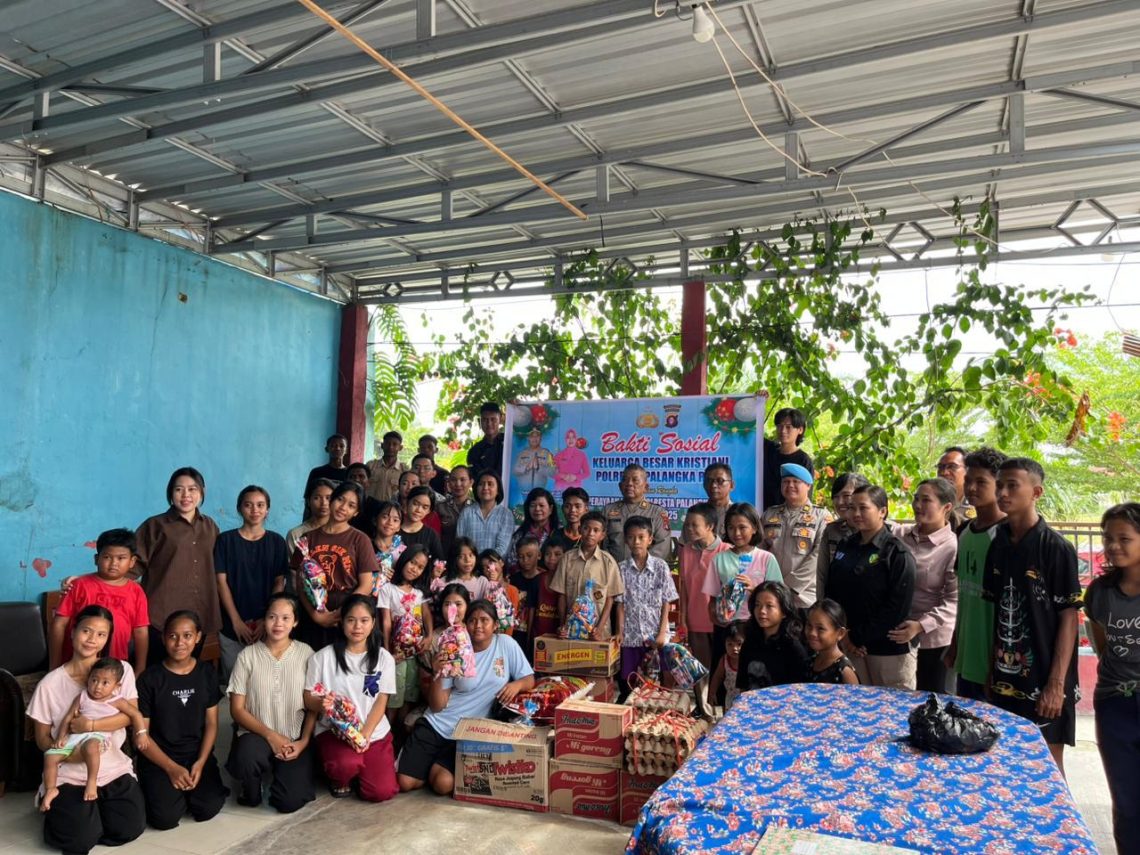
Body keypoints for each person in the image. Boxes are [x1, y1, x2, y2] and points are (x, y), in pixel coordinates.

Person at [982, 458, 1080, 772]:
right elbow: (994, 612)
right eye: (1000, 485)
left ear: (1036, 492)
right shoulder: (996, 544)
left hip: (1046, 678)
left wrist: (1056, 684)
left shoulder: (1056, 549)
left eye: (1013, 485)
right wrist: (990, 670)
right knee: (1006, 763)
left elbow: (1069, 617)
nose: (1003, 493)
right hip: (1004, 675)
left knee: (1048, 767)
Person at [27, 605, 146, 854]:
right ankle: (59, 808)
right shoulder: (50, 684)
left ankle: (91, 813)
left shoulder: (120, 671)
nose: (92, 639)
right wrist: (72, 753)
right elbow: (41, 740)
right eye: (86, 631)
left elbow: (128, 716)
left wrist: (90, 725)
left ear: (107, 639)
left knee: (128, 829)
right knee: (79, 840)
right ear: (73, 632)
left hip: (111, 767)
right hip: (68, 773)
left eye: (101, 634)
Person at [397, 599, 535, 795]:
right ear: (465, 624)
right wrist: (438, 673)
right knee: (404, 783)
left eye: (484, 620)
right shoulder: (455, 648)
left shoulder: (505, 644)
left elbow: (529, 679)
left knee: (443, 785)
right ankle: (420, 764)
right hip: (437, 723)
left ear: (495, 625)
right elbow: (437, 706)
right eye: (472, 620)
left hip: (467, 733)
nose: (478, 626)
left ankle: (428, 768)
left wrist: (516, 685)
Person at [136, 610, 228, 830]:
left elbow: (212, 724)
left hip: (195, 754)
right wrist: (171, 768)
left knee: (207, 809)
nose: (180, 643)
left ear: (197, 637)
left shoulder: (206, 673)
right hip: (160, 757)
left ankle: (191, 788)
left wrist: (201, 761)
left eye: (187, 636)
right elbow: (142, 736)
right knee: (165, 819)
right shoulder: (150, 679)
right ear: (163, 638)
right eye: (173, 636)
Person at [226, 593, 317, 813]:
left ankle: (282, 775)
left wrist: (303, 741)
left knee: (289, 802)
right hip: (256, 735)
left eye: (286, 618)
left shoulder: (307, 654)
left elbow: (313, 706)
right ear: (263, 620)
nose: (278, 624)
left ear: (295, 622)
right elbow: (237, 709)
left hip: (293, 738)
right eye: (272, 617)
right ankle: (250, 787)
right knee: (247, 756)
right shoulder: (247, 656)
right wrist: (270, 735)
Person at [305, 594, 398, 802]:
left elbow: (381, 701)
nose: (357, 627)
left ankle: (360, 769)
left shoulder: (384, 659)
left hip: (372, 732)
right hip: (334, 732)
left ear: (373, 623)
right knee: (344, 766)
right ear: (341, 622)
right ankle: (341, 776)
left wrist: (363, 735)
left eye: (364, 620)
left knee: (381, 792)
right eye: (351, 620)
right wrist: (321, 704)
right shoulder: (322, 658)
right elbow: (307, 698)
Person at [1085, 503, 1140, 850]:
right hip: (1114, 703)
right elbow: (1101, 644)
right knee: (1126, 800)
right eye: (1108, 538)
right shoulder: (1100, 592)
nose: (1114, 546)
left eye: (1125, 538)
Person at [825, 484, 917, 689]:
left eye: (863, 508)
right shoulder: (846, 545)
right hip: (849, 645)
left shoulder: (897, 553)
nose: (856, 513)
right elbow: (833, 592)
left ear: (882, 511)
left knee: (892, 712)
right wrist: (846, 636)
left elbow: (896, 609)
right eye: (852, 507)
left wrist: (857, 638)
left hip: (886, 651)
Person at [135, 467, 221, 666]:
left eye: (192, 489)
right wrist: (92, 579)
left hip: (200, 614)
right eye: (178, 489)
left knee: (188, 671)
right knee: (157, 671)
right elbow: (131, 563)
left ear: (202, 492)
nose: (186, 495)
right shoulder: (155, 525)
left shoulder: (210, 526)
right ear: (170, 493)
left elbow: (220, 567)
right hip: (160, 615)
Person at [42, 657, 147, 811]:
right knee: (50, 756)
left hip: (98, 736)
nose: (98, 686)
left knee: (91, 748)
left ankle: (91, 782)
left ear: (117, 686)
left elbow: (136, 714)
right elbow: (68, 718)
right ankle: (51, 788)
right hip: (75, 736)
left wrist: (141, 733)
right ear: (88, 679)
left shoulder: (117, 700)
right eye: (94, 680)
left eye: (105, 683)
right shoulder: (82, 696)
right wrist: (61, 737)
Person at [945, 447, 1007, 700]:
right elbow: (963, 593)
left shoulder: (1007, 536)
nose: (971, 488)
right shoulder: (965, 532)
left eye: (981, 482)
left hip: (999, 664)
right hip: (967, 657)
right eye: (969, 480)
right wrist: (955, 643)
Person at [890, 478, 959, 693]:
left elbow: (953, 600)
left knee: (932, 698)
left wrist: (920, 626)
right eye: (916, 498)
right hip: (898, 633)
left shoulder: (954, 547)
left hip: (934, 640)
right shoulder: (899, 535)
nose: (917, 505)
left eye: (926, 500)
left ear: (946, 507)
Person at [292, 481, 378, 650]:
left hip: (348, 618)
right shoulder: (307, 538)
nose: (343, 507)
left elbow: (366, 584)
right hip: (313, 615)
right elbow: (300, 584)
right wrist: (316, 616)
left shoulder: (360, 539)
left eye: (351, 505)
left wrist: (341, 613)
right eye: (340, 499)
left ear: (356, 512)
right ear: (332, 500)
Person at [51, 528, 149, 675]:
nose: (114, 563)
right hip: (74, 664)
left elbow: (141, 632)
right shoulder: (79, 585)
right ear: (97, 559)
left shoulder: (136, 591)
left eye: (121, 558)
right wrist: (54, 667)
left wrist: (140, 669)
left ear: (132, 561)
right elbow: (59, 624)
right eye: (107, 557)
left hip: (113, 667)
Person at [215, 486, 288, 678]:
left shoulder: (277, 542)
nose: (254, 510)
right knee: (235, 682)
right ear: (239, 508)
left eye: (260, 505)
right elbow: (221, 583)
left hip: (267, 626)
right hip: (231, 626)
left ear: (267, 510)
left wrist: (267, 619)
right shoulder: (225, 541)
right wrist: (236, 621)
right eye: (248, 505)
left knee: (263, 682)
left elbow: (279, 583)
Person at [616, 516, 678, 692]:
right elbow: (620, 604)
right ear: (626, 540)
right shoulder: (621, 568)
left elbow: (666, 601)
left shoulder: (661, 566)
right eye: (631, 537)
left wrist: (661, 633)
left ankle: (658, 714)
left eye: (641, 537)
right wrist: (620, 633)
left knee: (661, 682)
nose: (636, 541)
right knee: (629, 682)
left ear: (650, 539)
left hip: (655, 635)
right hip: (631, 636)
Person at [378, 545, 433, 736]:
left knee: (410, 692)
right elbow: (385, 621)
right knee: (394, 693)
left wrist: (429, 636)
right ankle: (388, 733)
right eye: (412, 562)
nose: (414, 569)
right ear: (404, 559)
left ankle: (401, 734)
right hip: (397, 651)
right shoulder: (388, 589)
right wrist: (387, 651)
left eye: (420, 567)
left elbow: (426, 614)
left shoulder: (419, 593)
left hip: (415, 652)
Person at [763, 463, 833, 609]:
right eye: (786, 482)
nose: (790, 485)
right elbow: (760, 551)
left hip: (804, 598)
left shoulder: (821, 516)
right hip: (771, 595)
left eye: (796, 482)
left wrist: (788, 586)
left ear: (808, 485)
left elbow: (820, 556)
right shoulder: (769, 514)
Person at [550, 510, 624, 640]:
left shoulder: (608, 562)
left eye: (596, 530)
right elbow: (561, 595)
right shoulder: (567, 559)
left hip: (598, 634)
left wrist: (599, 629)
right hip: (572, 631)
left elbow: (609, 600)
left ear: (602, 535)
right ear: (579, 529)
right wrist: (563, 625)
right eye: (586, 528)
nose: (590, 533)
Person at [678, 503, 731, 671]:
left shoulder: (727, 551)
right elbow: (684, 588)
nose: (689, 529)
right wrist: (683, 619)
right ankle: (702, 699)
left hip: (722, 624)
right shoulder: (686, 550)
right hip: (695, 622)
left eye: (695, 525)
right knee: (699, 672)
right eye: (687, 525)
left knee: (721, 671)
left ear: (710, 526)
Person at [737, 581, 810, 691]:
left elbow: (800, 689)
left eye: (769, 606)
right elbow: (742, 684)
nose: (761, 611)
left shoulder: (793, 648)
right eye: (757, 605)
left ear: (784, 611)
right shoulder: (750, 642)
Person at [604, 464, 672, 563]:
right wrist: (611, 566)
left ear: (646, 487)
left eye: (635, 480)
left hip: (646, 573)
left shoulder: (658, 513)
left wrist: (639, 567)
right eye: (625, 480)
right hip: (613, 570)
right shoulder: (608, 510)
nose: (629, 484)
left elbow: (662, 547)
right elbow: (602, 544)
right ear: (620, 485)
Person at [817, 473, 871, 596]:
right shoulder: (831, 530)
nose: (840, 502)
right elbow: (822, 576)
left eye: (846, 495)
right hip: (837, 607)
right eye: (836, 496)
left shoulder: (885, 530)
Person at [509, 535, 551, 662]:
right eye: (521, 557)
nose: (525, 560)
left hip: (537, 631)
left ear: (539, 555)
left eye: (529, 555)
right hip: (516, 631)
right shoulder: (513, 580)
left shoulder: (545, 579)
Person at [762, 408, 813, 511]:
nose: (783, 431)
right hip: (764, 515)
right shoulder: (768, 449)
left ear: (800, 430)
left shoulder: (804, 460)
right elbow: (750, 431)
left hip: (790, 517)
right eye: (780, 426)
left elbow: (806, 495)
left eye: (788, 427)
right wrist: (758, 400)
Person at [456, 471, 514, 556]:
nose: (485, 487)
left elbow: (503, 548)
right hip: (470, 566)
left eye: (490, 484)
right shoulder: (466, 512)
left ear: (498, 490)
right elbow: (460, 543)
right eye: (481, 484)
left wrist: (487, 563)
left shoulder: (505, 515)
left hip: (495, 566)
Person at [804, 599, 859, 685]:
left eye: (820, 629)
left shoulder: (844, 671)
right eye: (809, 625)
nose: (812, 633)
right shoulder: (811, 660)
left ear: (840, 633)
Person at [286, 478, 335, 560]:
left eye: (328, 498)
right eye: (317, 498)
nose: (324, 503)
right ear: (308, 501)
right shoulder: (296, 534)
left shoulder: (343, 532)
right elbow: (293, 569)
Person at [507, 487, 557, 564]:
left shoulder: (559, 532)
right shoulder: (520, 534)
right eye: (533, 505)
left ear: (550, 509)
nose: (537, 509)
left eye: (541, 505)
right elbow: (511, 562)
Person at [480, 549, 520, 637]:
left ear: (501, 562)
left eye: (492, 563)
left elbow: (510, 617)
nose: (490, 569)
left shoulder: (512, 590)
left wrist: (497, 587)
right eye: (485, 567)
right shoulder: (483, 589)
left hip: (505, 637)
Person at [707, 622, 746, 712]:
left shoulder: (747, 661)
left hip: (745, 699)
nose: (735, 648)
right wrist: (712, 693)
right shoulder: (724, 660)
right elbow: (717, 677)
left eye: (739, 644)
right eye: (730, 644)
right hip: (730, 699)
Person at [370, 500, 405, 600]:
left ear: (399, 527)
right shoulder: (365, 545)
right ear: (375, 520)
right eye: (385, 517)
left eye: (395, 520)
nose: (390, 523)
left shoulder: (402, 550)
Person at [436, 465, 474, 553]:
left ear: (471, 482)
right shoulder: (439, 507)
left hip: (469, 560)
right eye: (453, 480)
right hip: (445, 557)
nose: (458, 484)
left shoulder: (477, 509)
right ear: (448, 483)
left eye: (462, 480)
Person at [402, 485, 445, 560]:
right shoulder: (392, 528)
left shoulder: (431, 535)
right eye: (415, 504)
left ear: (429, 511)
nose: (418, 510)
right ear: (407, 502)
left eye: (424, 507)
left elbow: (439, 562)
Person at [936, 446, 974, 529]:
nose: (944, 472)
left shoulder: (977, 503)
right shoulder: (931, 502)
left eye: (952, 466)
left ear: (968, 471)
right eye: (940, 467)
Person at [365, 430, 408, 503]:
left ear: (400, 447)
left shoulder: (404, 469)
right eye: (388, 443)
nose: (391, 447)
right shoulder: (370, 466)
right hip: (370, 509)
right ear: (382, 445)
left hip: (392, 510)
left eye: (395, 444)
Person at [467, 402, 506, 479]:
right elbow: (475, 479)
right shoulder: (474, 451)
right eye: (485, 420)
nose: (489, 423)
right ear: (479, 421)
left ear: (500, 419)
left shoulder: (509, 442)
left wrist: (517, 407)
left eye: (493, 419)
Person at [513, 427, 556, 493]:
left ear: (540, 438)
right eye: (532, 436)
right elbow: (515, 470)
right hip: (523, 492)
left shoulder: (547, 453)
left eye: (537, 436)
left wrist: (539, 468)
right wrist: (526, 467)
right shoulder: (522, 454)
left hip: (540, 492)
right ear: (528, 438)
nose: (534, 438)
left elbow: (553, 472)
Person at [547, 487, 589, 552]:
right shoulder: (554, 534)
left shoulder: (591, 536)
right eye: (567, 506)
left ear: (586, 509)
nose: (572, 510)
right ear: (562, 508)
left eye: (577, 506)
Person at [345, 462, 382, 535]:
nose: (357, 480)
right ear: (346, 481)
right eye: (352, 477)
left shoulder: (377, 506)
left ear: (369, 481)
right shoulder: (342, 505)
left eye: (361, 476)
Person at [702, 463, 736, 538]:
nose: (713, 485)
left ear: (732, 485)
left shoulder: (739, 514)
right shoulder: (697, 514)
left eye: (720, 481)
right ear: (704, 485)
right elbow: (684, 547)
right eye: (709, 481)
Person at [553, 428, 591, 492]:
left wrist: (575, 477)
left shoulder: (581, 455)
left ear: (576, 439)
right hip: (560, 489)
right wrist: (563, 476)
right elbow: (551, 472)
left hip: (576, 489)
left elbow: (587, 473)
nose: (571, 440)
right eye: (568, 437)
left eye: (573, 437)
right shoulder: (558, 455)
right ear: (565, 440)